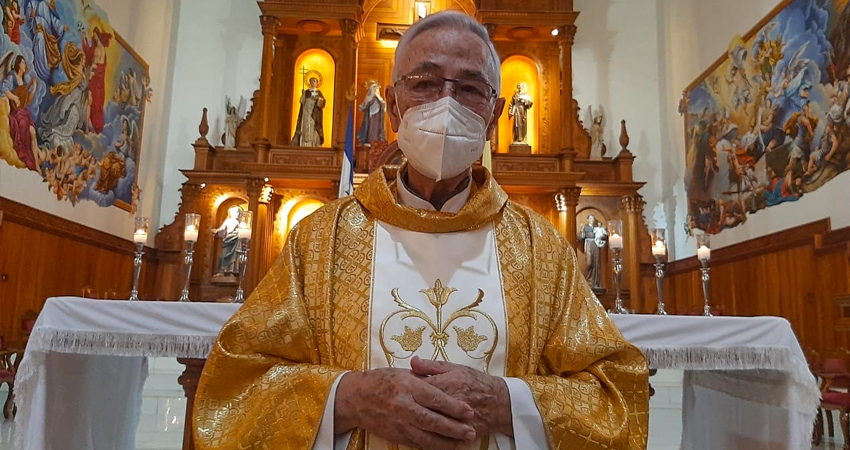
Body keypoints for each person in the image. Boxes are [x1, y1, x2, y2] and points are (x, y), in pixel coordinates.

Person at [194, 11, 648, 450]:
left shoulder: (541, 249)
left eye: (469, 88)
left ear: (494, 116)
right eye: (425, 84)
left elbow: (615, 396)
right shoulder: (318, 241)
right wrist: (349, 398)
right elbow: (236, 386)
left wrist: (506, 403)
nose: (446, 104)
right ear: (392, 107)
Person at [82, 27, 113, 134]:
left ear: (98, 35)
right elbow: (88, 54)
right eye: (94, 36)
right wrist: (84, 40)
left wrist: (95, 70)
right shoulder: (94, 48)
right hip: (92, 77)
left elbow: (102, 67)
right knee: (89, 100)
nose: (94, 37)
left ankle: (94, 127)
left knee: (96, 103)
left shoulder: (102, 50)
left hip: (98, 79)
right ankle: (86, 127)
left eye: (95, 35)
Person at [292, 76, 326, 146]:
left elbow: (322, 103)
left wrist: (318, 99)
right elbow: (302, 101)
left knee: (314, 128)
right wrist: (303, 94)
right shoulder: (307, 92)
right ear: (309, 82)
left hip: (315, 114)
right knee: (306, 127)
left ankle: (314, 144)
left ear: (317, 83)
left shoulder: (319, 92)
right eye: (311, 81)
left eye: (314, 81)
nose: (313, 82)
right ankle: (305, 144)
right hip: (306, 113)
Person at [577, 214, 606, 290]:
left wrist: (601, 235)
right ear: (587, 219)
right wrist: (583, 231)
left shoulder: (597, 227)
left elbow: (603, 235)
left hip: (595, 244)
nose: (591, 220)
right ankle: (586, 281)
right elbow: (580, 237)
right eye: (590, 218)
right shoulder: (585, 227)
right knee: (589, 263)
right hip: (588, 244)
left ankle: (595, 282)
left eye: (593, 218)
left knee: (596, 263)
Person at [356, 80, 387, 146]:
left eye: (376, 89)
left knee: (376, 129)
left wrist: (378, 98)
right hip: (370, 116)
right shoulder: (369, 98)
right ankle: (369, 141)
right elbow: (364, 105)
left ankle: (376, 141)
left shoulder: (379, 99)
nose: (375, 91)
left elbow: (383, 105)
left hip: (377, 116)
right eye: (374, 89)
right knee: (370, 128)